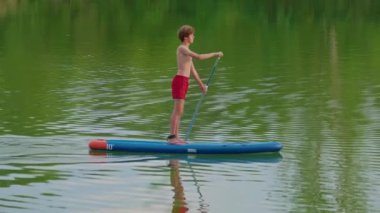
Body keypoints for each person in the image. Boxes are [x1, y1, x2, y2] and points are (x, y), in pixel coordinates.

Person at [168, 25, 223, 145]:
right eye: (192, 35)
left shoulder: (187, 52)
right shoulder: (182, 48)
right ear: (186, 37)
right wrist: (215, 54)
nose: (194, 36)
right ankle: (172, 137)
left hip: (184, 81)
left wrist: (201, 85)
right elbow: (199, 57)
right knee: (177, 110)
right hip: (179, 80)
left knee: (180, 111)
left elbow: (193, 71)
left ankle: (176, 136)